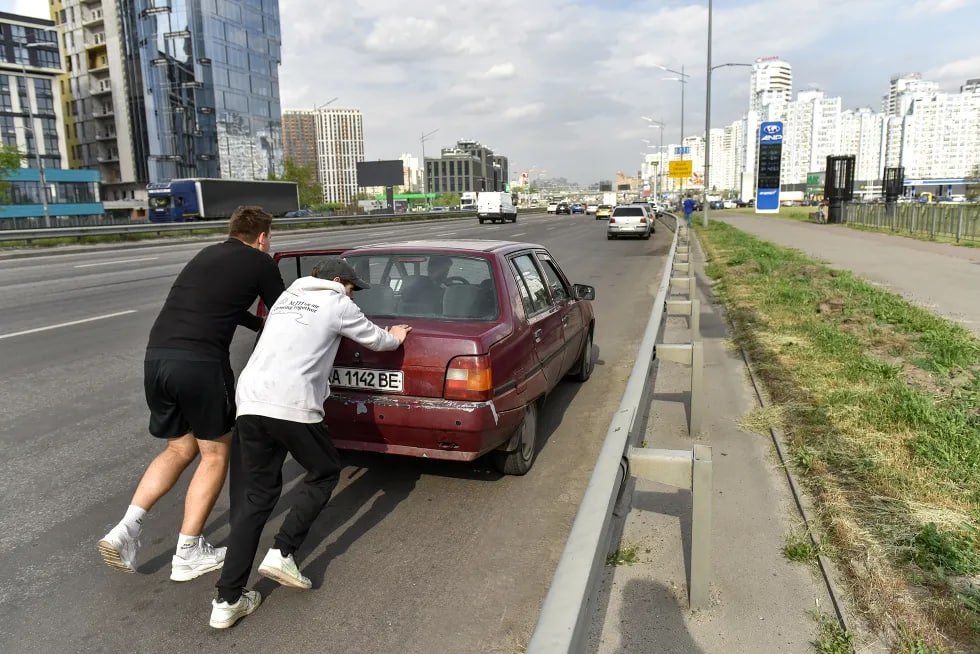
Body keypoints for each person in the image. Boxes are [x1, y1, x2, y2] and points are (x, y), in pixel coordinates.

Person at [209, 257, 411, 629]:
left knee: (254, 500)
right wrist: (396, 336)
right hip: (293, 403)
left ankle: (227, 599)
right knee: (325, 470)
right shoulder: (337, 302)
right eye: (352, 288)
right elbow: (376, 340)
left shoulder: (286, 297)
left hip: (251, 401)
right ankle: (283, 551)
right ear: (338, 281)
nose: (354, 296)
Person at [98, 205, 285, 581]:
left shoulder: (206, 255)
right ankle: (188, 551)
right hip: (199, 365)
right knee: (215, 454)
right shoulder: (261, 262)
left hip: (158, 359)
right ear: (262, 237)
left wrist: (253, 322)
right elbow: (285, 312)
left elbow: (219, 306)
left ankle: (126, 529)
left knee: (179, 448)